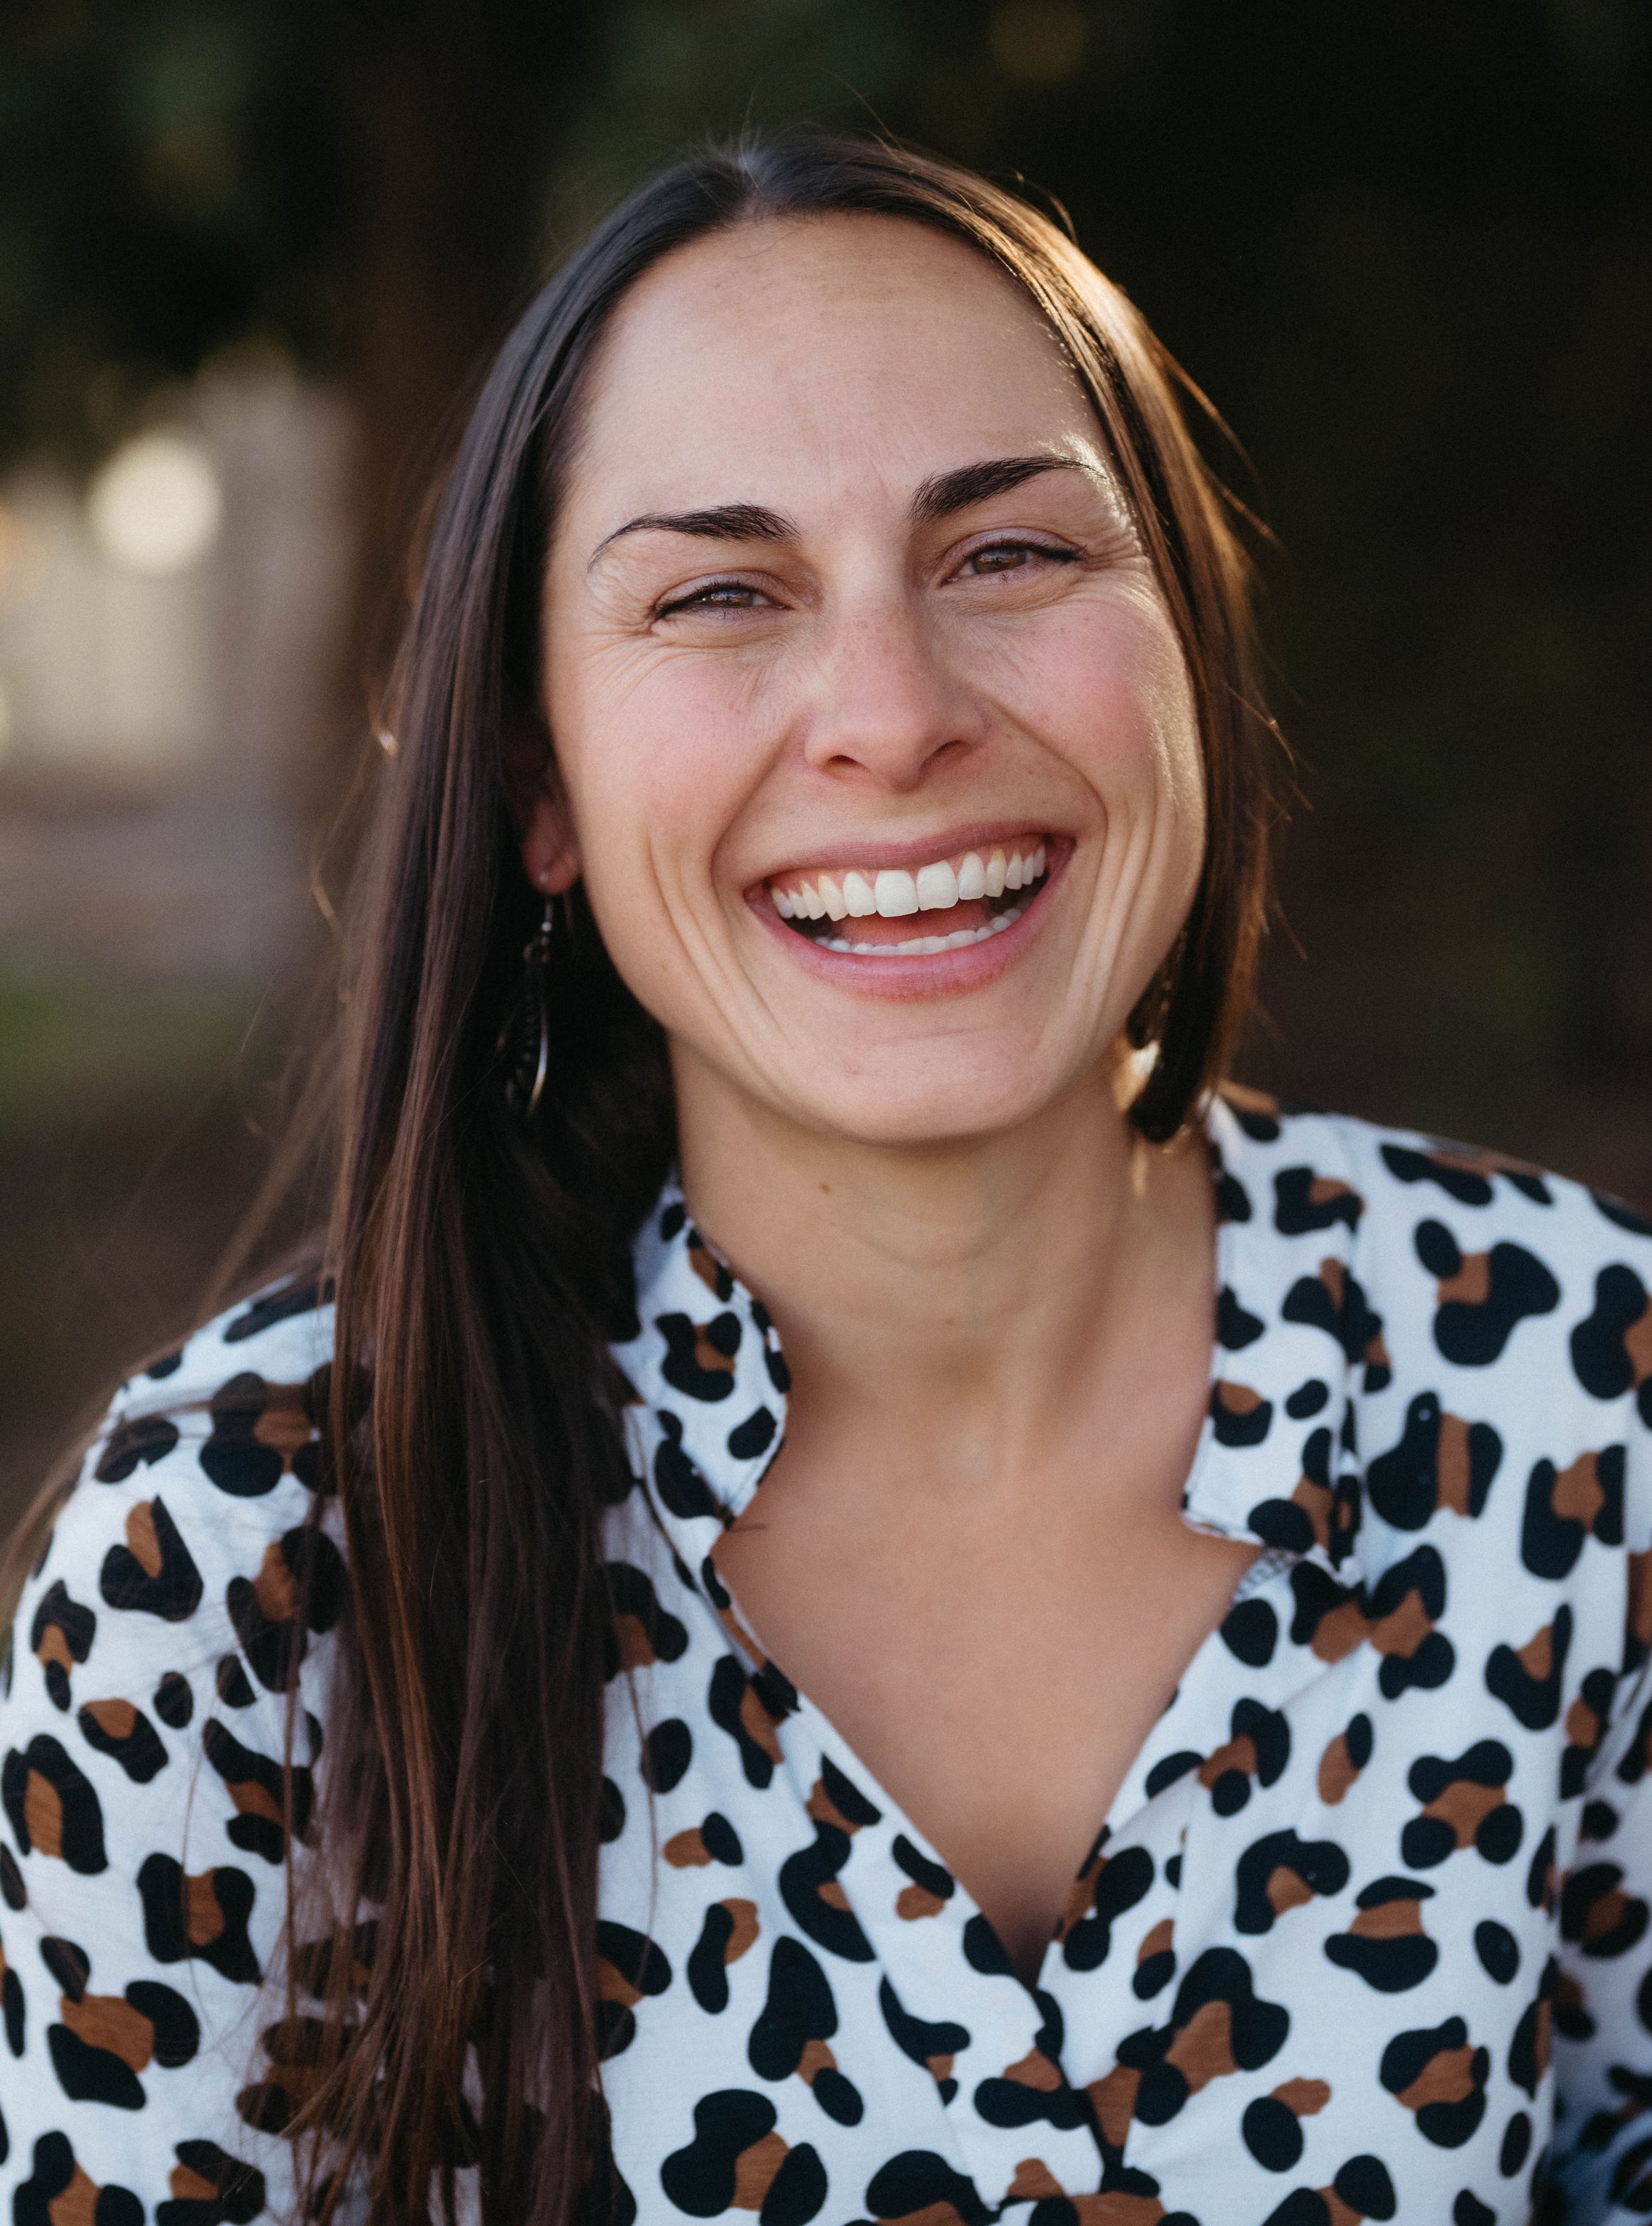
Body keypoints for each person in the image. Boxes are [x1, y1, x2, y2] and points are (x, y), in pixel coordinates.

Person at [1, 131, 1649, 2226]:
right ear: (537, 783)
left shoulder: (1578, 1396)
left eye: (1008, 557)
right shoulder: (247, 1564)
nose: (888, 715)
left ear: (1189, 653)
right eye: (716, 594)